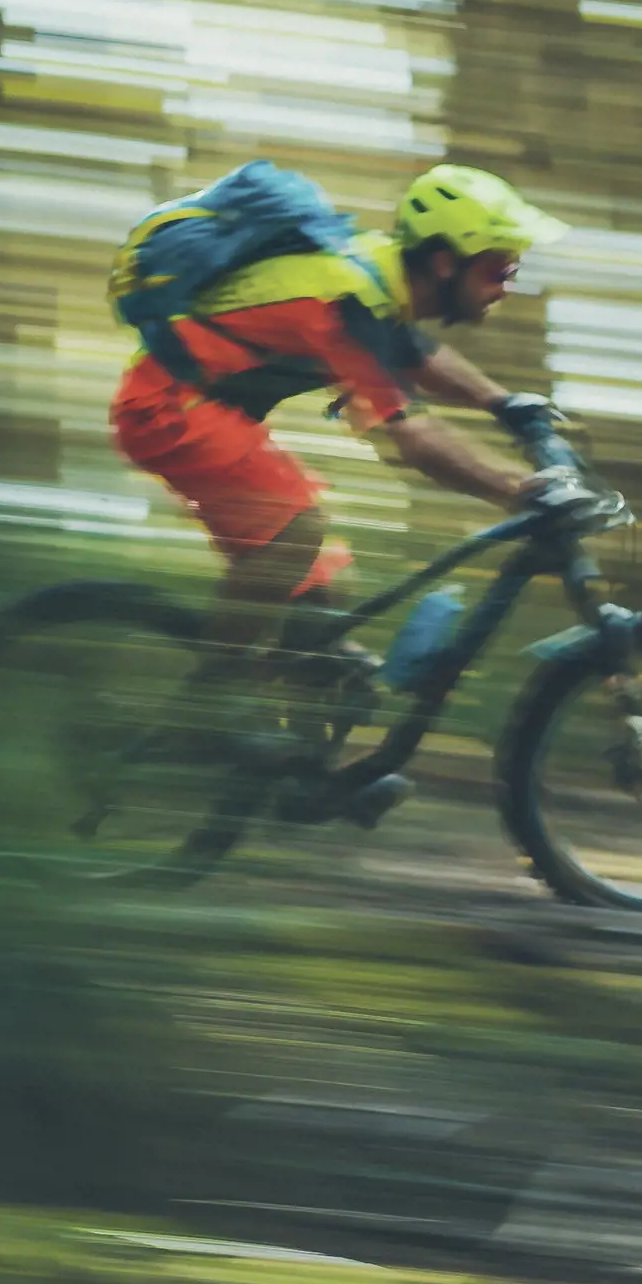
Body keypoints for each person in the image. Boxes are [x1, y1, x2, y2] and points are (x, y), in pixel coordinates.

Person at [109, 161, 581, 823]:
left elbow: (413, 353)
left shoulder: (374, 279)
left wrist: (507, 404)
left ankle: (308, 779)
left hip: (213, 414)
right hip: (169, 407)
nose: (508, 283)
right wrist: (516, 488)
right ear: (445, 261)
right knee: (294, 530)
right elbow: (410, 436)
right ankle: (207, 710)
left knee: (322, 601)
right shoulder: (341, 300)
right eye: (498, 268)